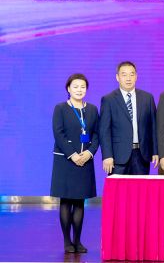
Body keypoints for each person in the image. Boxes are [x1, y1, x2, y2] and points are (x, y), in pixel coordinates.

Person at [50, 73, 99, 254]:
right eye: (76, 86)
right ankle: (67, 242)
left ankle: (77, 241)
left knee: (79, 202)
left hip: (85, 160)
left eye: (83, 87)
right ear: (68, 89)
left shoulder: (92, 109)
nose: (79, 90)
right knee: (66, 201)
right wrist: (73, 155)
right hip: (65, 161)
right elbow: (58, 134)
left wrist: (89, 153)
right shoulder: (60, 108)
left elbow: (96, 135)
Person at [99, 61, 158, 175]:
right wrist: (107, 155)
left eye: (131, 74)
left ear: (136, 76)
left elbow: (153, 127)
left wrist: (155, 151)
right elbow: (104, 131)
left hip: (142, 155)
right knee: (118, 187)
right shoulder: (108, 100)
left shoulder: (147, 98)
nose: (128, 78)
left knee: (140, 187)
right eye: (124, 75)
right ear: (117, 77)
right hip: (118, 157)